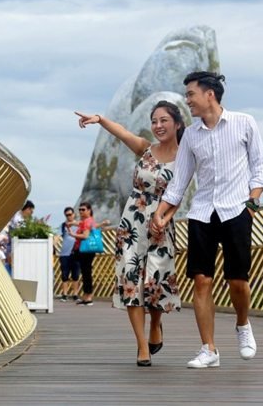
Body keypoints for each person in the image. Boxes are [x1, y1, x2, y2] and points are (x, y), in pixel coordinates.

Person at [151, 71, 263, 369]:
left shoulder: (245, 123)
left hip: (236, 210)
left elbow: (259, 169)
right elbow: (180, 182)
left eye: (191, 94)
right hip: (202, 213)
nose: (187, 100)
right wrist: (161, 212)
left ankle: (243, 325)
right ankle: (209, 349)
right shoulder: (190, 134)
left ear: (209, 95)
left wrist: (252, 203)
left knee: (237, 280)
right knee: (201, 280)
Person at [76, 101, 184, 366]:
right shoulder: (146, 149)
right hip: (132, 224)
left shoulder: (185, 157)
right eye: (154, 121)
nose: (158, 126)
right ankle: (141, 346)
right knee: (132, 280)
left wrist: (165, 218)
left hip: (161, 224)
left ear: (178, 124)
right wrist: (100, 119)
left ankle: (155, 325)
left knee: (155, 283)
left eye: (163, 121)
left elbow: (178, 195)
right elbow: (122, 132)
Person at [65, 202, 97, 306]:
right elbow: (80, 224)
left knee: (86, 273)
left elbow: (85, 236)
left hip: (85, 250)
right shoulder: (87, 221)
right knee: (85, 272)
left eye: (83, 209)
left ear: (89, 210)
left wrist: (73, 234)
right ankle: (86, 296)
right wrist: (73, 224)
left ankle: (88, 297)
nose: (81, 211)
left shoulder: (87, 221)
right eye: (80, 210)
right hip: (85, 250)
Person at [57, 207, 81, 301]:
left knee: (76, 275)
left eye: (70, 214)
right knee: (64, 275)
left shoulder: (79, 224)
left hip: (76, 253)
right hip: (65, 253)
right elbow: (58, 236)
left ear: (74, 214)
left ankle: (75, 294)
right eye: (67, 215)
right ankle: (65, 294)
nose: (69, 216)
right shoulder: (63, 226)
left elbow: (87, 229)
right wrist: (53, 243)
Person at [5, 200, 35, 275]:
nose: (31, 214)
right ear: (27, 209)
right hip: (13, 247)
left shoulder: (23, 219)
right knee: (11, 268)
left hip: (16, 247)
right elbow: (18, 230)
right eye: (31, 211)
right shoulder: (17, 217)